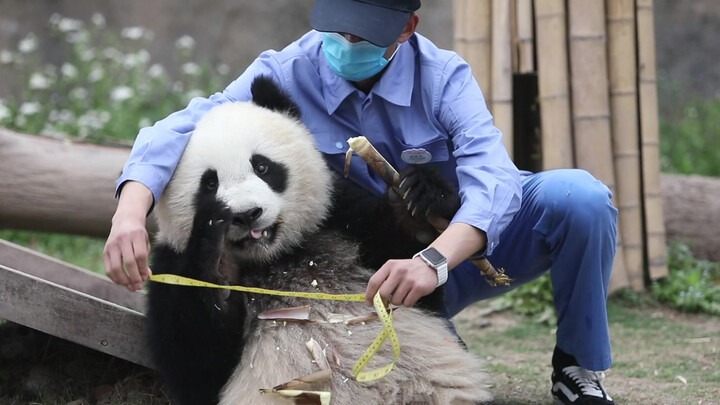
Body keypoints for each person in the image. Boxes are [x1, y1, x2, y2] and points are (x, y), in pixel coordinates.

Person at [103, 1, 618, 403]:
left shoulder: (444, 78)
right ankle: (425, 342)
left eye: (361, 34)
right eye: (336, 28)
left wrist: (435, 258)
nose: (344, 44)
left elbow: (495, 179)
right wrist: (131, 211)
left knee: (580, 197)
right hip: (377, 274)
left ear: (406, 27)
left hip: (458, 248)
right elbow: (186, 126)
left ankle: (577, 365)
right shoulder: (288, 70)